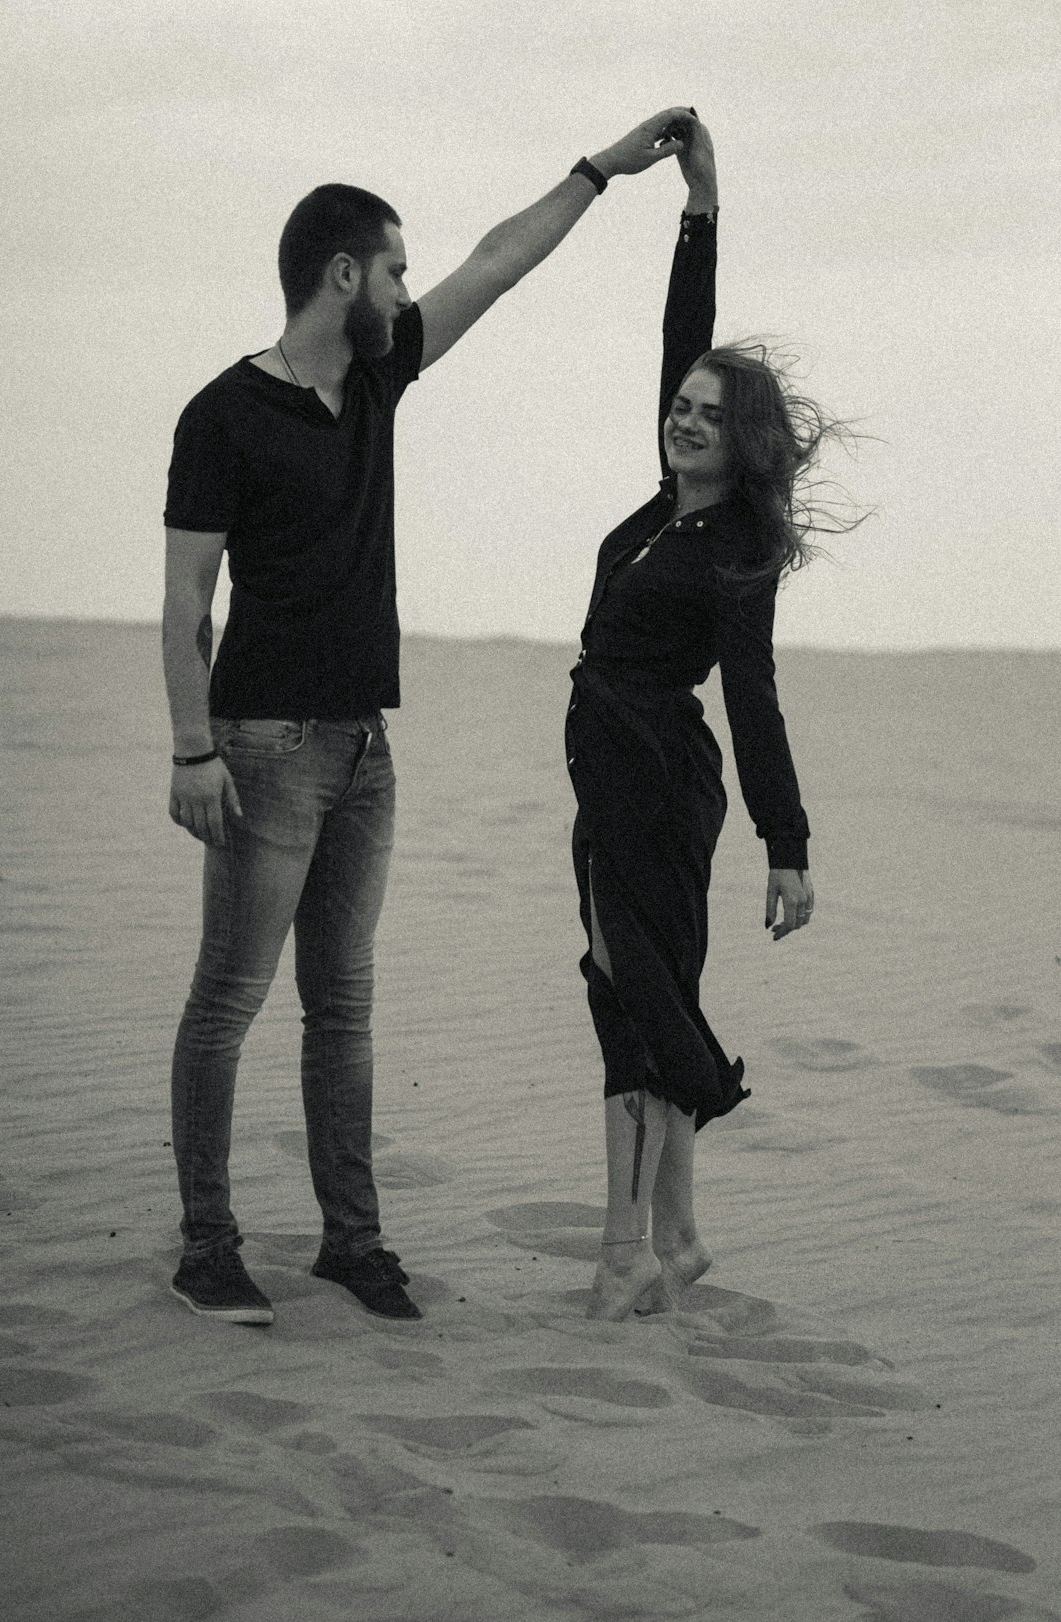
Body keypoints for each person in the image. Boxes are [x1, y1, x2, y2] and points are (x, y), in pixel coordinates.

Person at [162, 109, 694, 1327]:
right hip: (261, 747)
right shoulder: (224, 415)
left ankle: (352, 1241)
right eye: (394, 267)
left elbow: (499, 264)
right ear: (342, 274)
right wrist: (191, 745)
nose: (410, 288)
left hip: (363, 748)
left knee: (343, 1004)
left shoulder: (382, 378)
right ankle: (207, 1244)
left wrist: (599, 173)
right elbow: (188, 597)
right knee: (228, 999)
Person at [565, 115, 845, 1321]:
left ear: (746, 442)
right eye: (680, 405)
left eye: (709, 413)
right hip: (614, 769)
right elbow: (686, 334)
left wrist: (787, 844)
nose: (685, 418)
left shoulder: (733, 548)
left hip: (655, 775)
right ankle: (670, 1233)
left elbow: (754, 691)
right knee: (639, 986)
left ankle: (630, 1244)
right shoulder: (664, 503)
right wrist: (699, 203)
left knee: (633, 989)